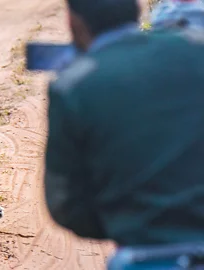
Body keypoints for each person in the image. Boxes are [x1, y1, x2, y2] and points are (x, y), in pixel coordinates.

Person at [44, 0, 204, 249]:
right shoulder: (196, 50)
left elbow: (66, 205)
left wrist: (128, 221)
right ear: (139, 9)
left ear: (73, 21)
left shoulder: (73, 85)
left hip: (143, 252)